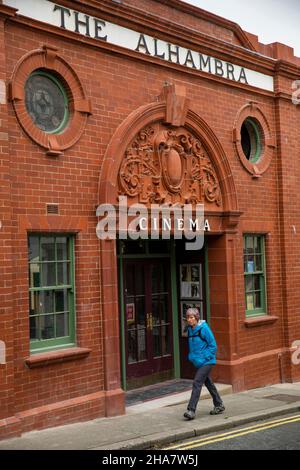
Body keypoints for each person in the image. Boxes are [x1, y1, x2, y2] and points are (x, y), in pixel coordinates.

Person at [183, 307, 225, 420]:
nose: (189, 320)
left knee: (197, 383)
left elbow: (213, 346)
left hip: (207, 361)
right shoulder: (190, 329)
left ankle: (191, 410)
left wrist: (204, 357)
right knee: (209, 383)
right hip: (198, 362)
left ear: (196, 318)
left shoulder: (204, 329)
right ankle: (219, 404)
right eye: (187, 317)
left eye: (191, 317)